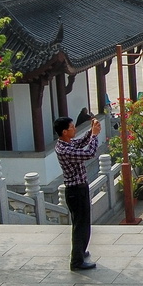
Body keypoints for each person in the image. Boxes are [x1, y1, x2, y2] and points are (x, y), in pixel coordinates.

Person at [54, 115, 101, 271]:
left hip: (80, 188)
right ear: (64, 132)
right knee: (80, 225)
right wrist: (94, 135)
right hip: (75, 190)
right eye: (72, 128)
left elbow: (80, 142)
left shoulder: (67, 143)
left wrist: (91, 131)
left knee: (83, 223)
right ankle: (76, 261)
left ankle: (80, 252)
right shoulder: (64, 149)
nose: (74, 129)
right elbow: (89, 153)